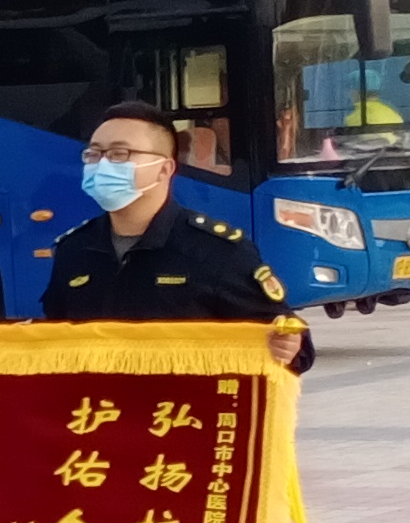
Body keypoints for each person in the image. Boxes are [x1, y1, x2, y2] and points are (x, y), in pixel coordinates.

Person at [21, 102, 315, 372]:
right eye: (94, 154)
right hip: (100, 409)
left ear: (164, 169)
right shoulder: (74, 249)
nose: (102, 165)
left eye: (120, 154)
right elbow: (55, 340)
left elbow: (286, 335)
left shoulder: (216, 251)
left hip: (181, 409)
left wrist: (289, 345)